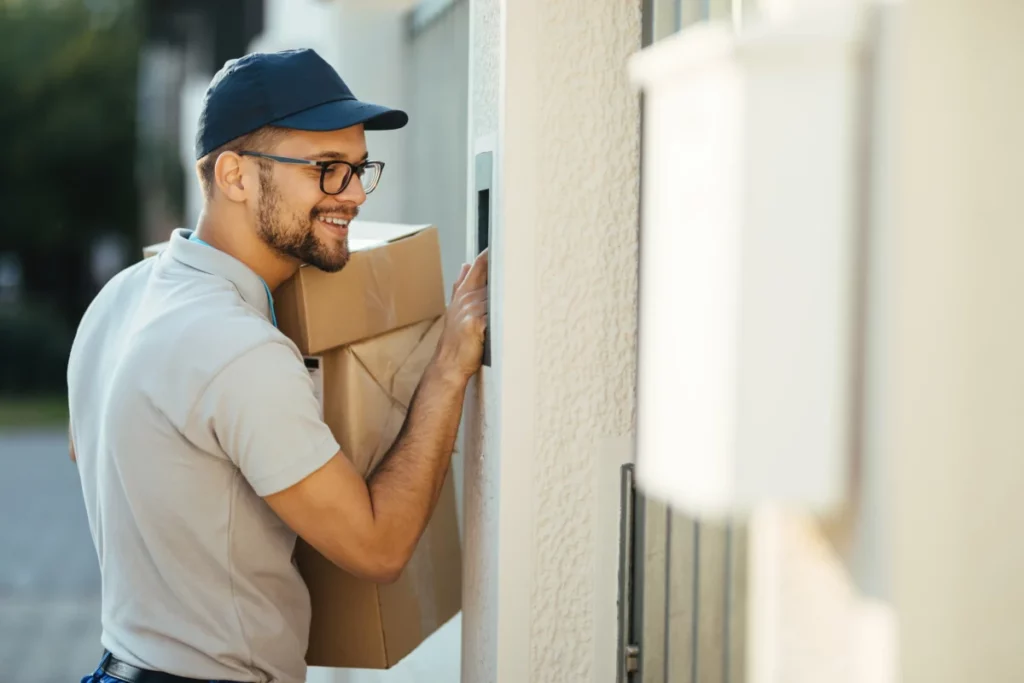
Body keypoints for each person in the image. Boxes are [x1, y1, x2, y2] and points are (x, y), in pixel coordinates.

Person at [68, 48, 488, 683]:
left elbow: (95, 453)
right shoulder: (237, 348)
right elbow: (377, 548)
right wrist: (448, 367)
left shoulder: (120, 298)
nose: (351, 196)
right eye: (325, 169)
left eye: (357, 168)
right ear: (235, 175)